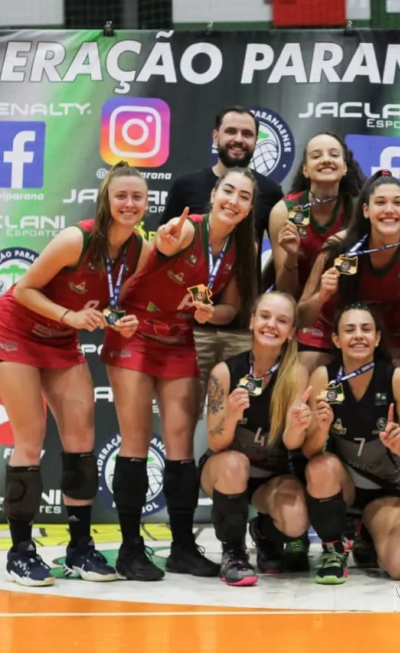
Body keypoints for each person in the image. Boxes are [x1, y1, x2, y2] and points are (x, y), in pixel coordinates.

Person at [0, 162, 148, 586]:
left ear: (147, 203)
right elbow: (24, 290)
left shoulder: (138, 248)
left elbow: (114, 301)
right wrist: (69, 315)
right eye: (121, 196)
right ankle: (20, 553)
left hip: (61, 336)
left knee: (81, 438)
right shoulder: (77, 239)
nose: (129, 204)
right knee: (30, 438)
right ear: (107, 200)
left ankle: (79, 549)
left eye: (138, 197)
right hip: (16, 331)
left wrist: (118, 321)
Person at [99, 168, 259, 580]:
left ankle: (182, 547)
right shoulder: (186, 230)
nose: (234, 201)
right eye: (228, 191)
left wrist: (211, 312)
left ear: (250, 207)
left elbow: (232, 308)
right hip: (136, 331)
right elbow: (137, 274)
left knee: (181, 447)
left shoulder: (244, 245)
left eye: (244, 196)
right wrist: (162, 248)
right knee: (134, 442)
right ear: (214, 193)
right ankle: (131, 549)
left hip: (179, 336)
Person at [160, 105, 284, 416]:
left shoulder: (270, 192)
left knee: (237, 418)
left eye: (247, 134)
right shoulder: (185, 186)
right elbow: (161, 254)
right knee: (181, 419)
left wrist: (255, 291)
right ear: (216, 136)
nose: (238, 139)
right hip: (186, 329)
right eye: (231, 131)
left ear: (257, 141)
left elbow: (274, 260)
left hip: (240, 328)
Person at [302, 303, 400, 584]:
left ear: (377, 338)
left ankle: (367, 535)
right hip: (340, 485)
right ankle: (333, 548)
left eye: (366, 329)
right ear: (336, 339)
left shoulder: (396, 378)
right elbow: (308, 450)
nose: (359, 335)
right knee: (320, 466)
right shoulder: (323, 377)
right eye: (349, 330)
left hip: (384, 486)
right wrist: (320, 429)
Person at [200, 291, 314, 585]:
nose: (271, 325)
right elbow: (215, 443)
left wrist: (297, 426)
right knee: (234, 463)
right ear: (252, 321)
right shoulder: (224, 372)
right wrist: (233, 416)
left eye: (282, 320)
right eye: (264, 316)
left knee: (296, 519)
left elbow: (291, 444)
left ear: (291, 333)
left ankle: (264, 532)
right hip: (223, 471)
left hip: (270, 476)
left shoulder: (297, 374)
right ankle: (234, 553)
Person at [297, 170, 400, 372]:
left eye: (397, 203)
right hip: (330, 329)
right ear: (365, 210)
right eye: (380, 202)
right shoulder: (338, 245)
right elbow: (301, 317)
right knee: (304, 381)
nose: (389, 210)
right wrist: (321, 296)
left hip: (385, 332)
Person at [268, 131, 365, 303]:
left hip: (341, 306)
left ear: (344, 168)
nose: (326, 159)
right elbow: (285, 291)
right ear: (305, 170)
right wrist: (291, 256)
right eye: (316, 155)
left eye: (334, 154)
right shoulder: (283, 211)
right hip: (296, 306)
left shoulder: (359, 211)